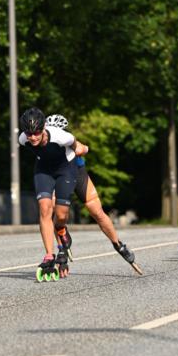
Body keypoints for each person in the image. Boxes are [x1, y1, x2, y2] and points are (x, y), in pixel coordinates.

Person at [45, 115, 142, 274]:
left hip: (78, 175)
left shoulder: (67, 139)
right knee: (56, 211)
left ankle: (118, 244)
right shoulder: (44, 144)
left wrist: (83, 148)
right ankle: (62, 247)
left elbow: (83, 147)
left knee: (97, 212)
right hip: (59, 178)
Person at [18, 107, 89, 280]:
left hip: (65, 170)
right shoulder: (22, 139)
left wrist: (83, 149)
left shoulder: (60, 136)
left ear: (43, 129)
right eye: (29, 133)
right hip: (44, 170)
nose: (32, 137)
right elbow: (34, 146)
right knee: (44, 208)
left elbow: (79, 147)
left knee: (61, 215)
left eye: (36, 133)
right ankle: (49, 254)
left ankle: (62, 232)